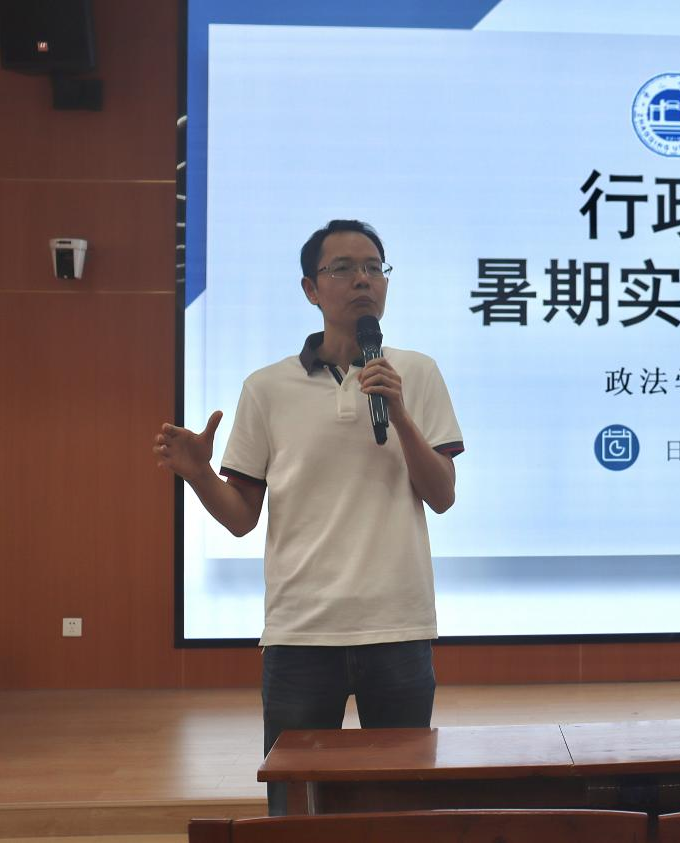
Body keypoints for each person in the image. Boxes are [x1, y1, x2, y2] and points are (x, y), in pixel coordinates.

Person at [153, 220, 463, 815]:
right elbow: (241, 517)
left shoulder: (416, 373)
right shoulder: (266, 388)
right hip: (300, 633)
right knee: (294, 811)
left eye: (374, 267)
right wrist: (198, 475)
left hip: (397, 626)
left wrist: (399, 412)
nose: (363, 279)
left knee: (402, 808)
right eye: (343, 268)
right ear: (310, 289)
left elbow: (443, 494)